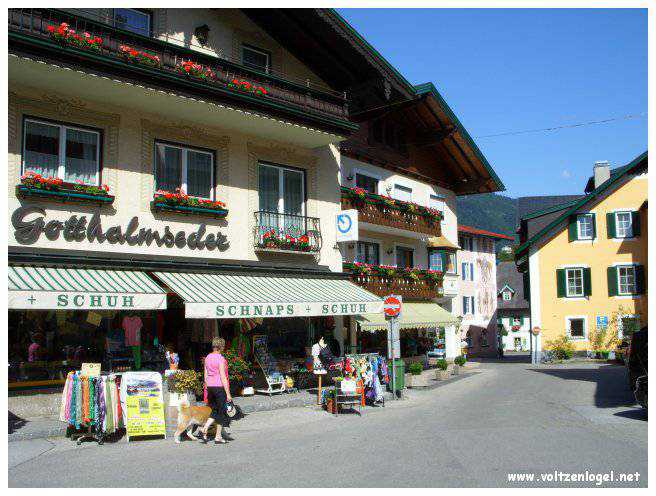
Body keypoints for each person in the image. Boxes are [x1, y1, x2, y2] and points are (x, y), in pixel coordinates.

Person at [199, 337, 232, 444]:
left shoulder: (207, 357)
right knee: (221, 412)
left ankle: (205, 428)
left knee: (214, 410)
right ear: (221, 347)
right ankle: (218, 437)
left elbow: (205, 375)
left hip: (210, 387)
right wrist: (228, 393)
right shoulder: (221, 359)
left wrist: (207, 387)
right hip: (219, 387)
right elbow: (223, 376)